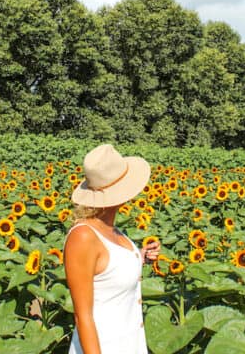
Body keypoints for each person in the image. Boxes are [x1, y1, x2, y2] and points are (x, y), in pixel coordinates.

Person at [64, 144, 161, 354]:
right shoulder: (83, 237)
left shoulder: (109, 228)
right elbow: (83, 317)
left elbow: (106, 270)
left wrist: (139, 258)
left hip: (130, 344)